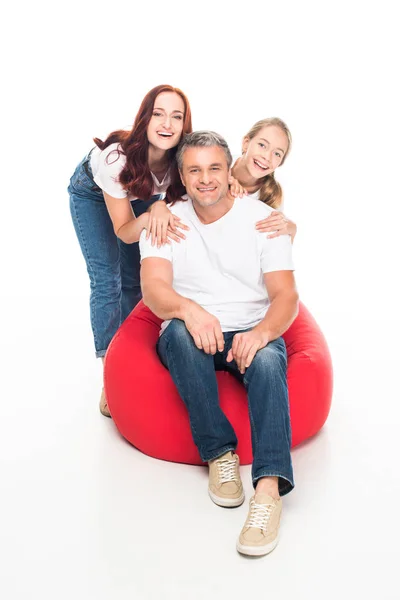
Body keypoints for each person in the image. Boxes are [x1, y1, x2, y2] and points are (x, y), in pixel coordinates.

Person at [139, 131, 299, 557]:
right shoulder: (165, 220)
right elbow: (153, 289)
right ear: (182, 175)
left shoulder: (263, 220)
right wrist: (190, 310)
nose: (205, 179)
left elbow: (286, 296)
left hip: (250, 331)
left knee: (267, 363)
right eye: (194, 170)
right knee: (174, 330)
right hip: (194, 334)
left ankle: (268, 493)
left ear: (229, 171)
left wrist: (262, 332)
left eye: (214, 168)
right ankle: (220, 453)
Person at [68, 85, 193, 417]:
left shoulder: (183, 157)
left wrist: (163, 207)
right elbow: (124, 232)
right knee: (107, 281)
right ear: (146, 118)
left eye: (176, 116)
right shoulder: (116, 161)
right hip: (94, 194)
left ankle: (133, 359)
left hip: (139, 192)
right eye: (159, 113)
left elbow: (213, 175)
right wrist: (154, 212)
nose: (167, 123)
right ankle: (111, 376)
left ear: (184, 125)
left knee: (136, 279)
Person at [231, 117, 298, 243]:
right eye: (262, 145)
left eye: (277, 154)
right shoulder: (219, 164)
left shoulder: (273, 195)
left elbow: (276, 248)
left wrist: (292, 230)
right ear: (246, 143)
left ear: (280, 162)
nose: (267, 157)